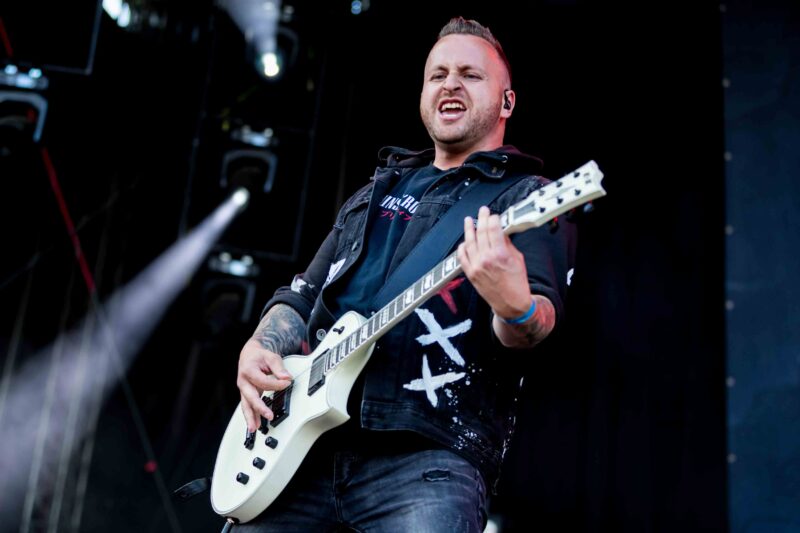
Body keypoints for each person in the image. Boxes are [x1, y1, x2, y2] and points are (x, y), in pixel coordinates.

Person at [233, 16, 575, 532]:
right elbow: (301, 296)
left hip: (426, 461)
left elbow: (536, 324)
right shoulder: (374, 192)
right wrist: (259, 346)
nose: (451, 84)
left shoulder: (525, 199)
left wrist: (516, 307)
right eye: (438, 75)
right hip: (300, 452)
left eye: (470, 75)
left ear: (507, 102)